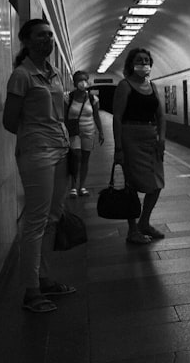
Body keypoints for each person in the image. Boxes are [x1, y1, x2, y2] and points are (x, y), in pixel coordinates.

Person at [2, 18, 77, 313]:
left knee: (53, 217)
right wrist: (35, 132)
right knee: (35, 219)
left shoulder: (54, 73)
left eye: (49, 35)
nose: (47, 40)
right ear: (26, 41)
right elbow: (9, 121)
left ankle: (44, 278)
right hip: (37, 152)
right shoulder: (22, 75)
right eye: (41, 35)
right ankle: (31, 290)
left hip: (60, 149)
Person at [112, 47, 167, 244]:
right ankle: (132, 230)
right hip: (130, 137)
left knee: (157, 182)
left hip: (151, 138)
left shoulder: (152, 86)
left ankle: (144, 222)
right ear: (131, 64)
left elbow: (160, 116)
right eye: (139, 60)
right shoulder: (124, 85)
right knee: (132, 184)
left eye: (146, 60)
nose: (143, 63)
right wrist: (118, 148)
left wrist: (161, 139)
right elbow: (117, 117)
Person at [66, 70, 104, 197]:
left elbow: (96, 116)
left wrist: (101, 131)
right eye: (79, 80)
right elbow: (64, 116)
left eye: (84, 80)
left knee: (85, 159)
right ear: (75, 82)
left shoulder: (93, 99)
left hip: (89, 131)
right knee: (76, 156)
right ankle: (73, 186)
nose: (82, 83)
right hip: (74, 131)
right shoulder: (69, 98)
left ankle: (82, 186)